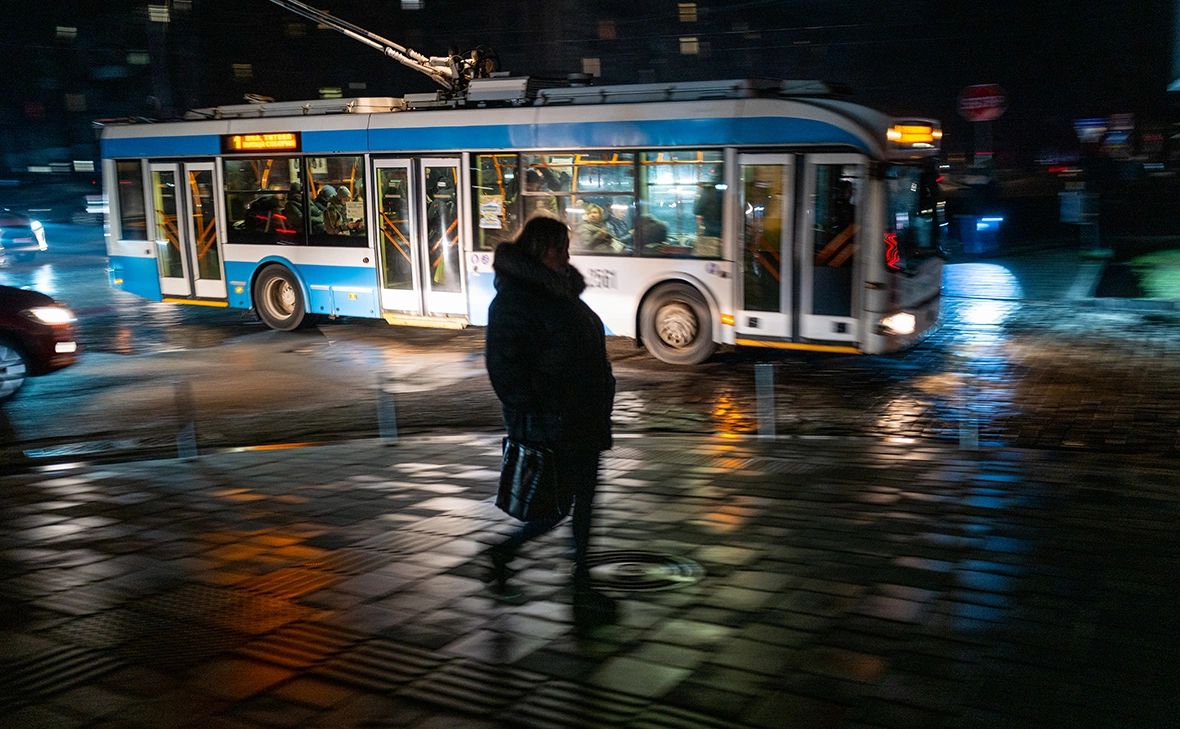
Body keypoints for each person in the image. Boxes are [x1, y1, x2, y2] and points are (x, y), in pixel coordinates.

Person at [484, 216, 618, 622]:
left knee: (584, 505)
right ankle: (509, 555)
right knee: (559, 508)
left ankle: (579, 585)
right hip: (553, 422)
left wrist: (603, 387)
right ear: (539, 249)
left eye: (566, 246)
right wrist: (534, 410)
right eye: (559, 247)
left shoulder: (560, 292)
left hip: (583, 416)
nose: (567, 254)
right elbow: (504, 367)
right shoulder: (515, 299)